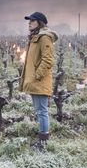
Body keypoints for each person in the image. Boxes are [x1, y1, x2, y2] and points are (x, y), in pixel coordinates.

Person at [18, 11, 58, 150]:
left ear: (39, 23)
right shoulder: (34, 37)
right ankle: (41, 139)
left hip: (39, 80)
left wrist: (37, 75)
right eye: (29, 21)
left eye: (32, 21)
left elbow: (48, 60)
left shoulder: (44, 38)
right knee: (39, 110)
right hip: (34, 80)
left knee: (42, 111)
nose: (29, 23)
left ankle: (43, 143)